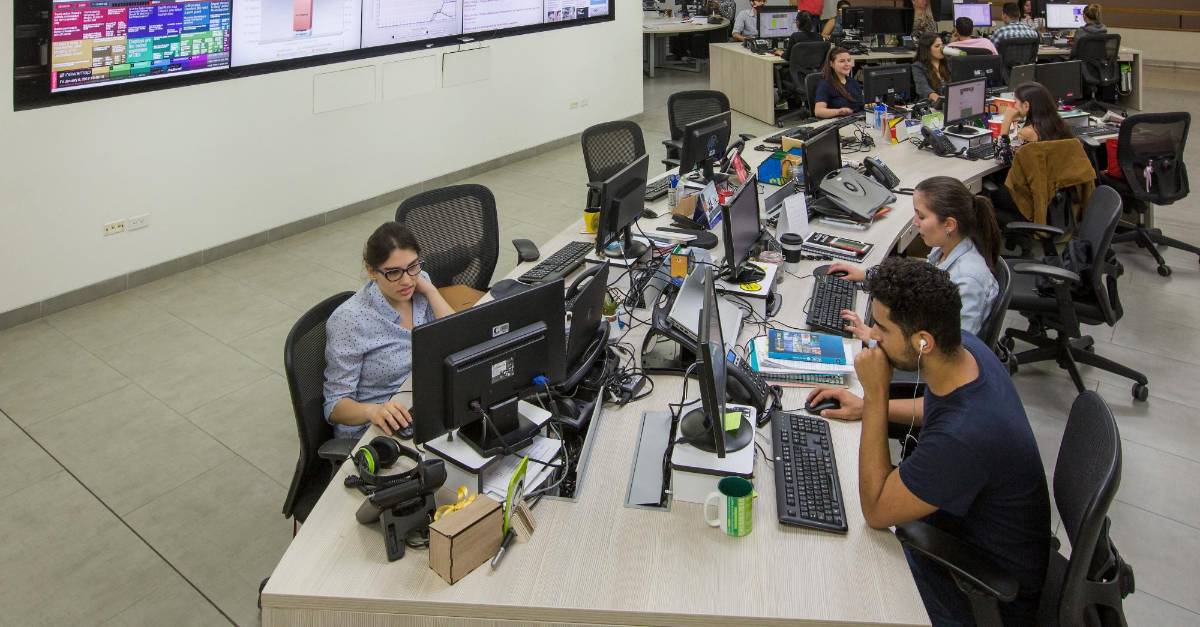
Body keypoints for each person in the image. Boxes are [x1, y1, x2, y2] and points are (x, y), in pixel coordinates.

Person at [806, 257, 1051, 625]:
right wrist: (865, 407)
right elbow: (937, 406)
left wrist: (876, 395)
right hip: (961, 534)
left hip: (976, 592)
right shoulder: (967, 352)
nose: (873, 337)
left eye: (882, 329)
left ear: (923, 341)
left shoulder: (964, 438)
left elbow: (876, 510)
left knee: (828, 577)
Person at [323, 222, 455, 440]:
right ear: (371, 271)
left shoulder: (420, 284)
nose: (407, 281)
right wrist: (372, 411)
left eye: (413, 266)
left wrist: (431, 292)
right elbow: (335, 406)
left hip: (421, 402)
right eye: (394, 272)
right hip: (375, 428)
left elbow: (456, 338)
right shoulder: (350, 320)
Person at [828, 176, 1002, 337]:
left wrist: (877, 340)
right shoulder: (945, 248)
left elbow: (953, 352)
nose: (914, 222)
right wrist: (867, 275)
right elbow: (916, 278)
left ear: (949, 224)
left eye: (921, 216)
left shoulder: (967, 282)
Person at [998, 81, 1076, 153]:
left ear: (1026, 105)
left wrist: (1007, 120)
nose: (1014, 106)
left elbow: (1002, 157)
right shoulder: (1059, 124)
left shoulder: (1027, 132)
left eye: (1015, 102)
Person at [813, 47, 863, 118]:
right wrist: (839, 111)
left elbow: (860, 104)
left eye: (849, 60)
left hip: (858, 119)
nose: (847, 64)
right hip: (839, 121)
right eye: (842, 61)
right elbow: (818, 111)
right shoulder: (825, 85)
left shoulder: (853, 82)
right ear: (831, 64)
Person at [910, 33, 951, 103]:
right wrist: (941, 102)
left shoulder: (948, 63)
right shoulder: (918, 66)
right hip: (932, 104)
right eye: (937, 46)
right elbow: (923, 89)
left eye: (942, 45)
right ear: (927, 49)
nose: (942, 49)